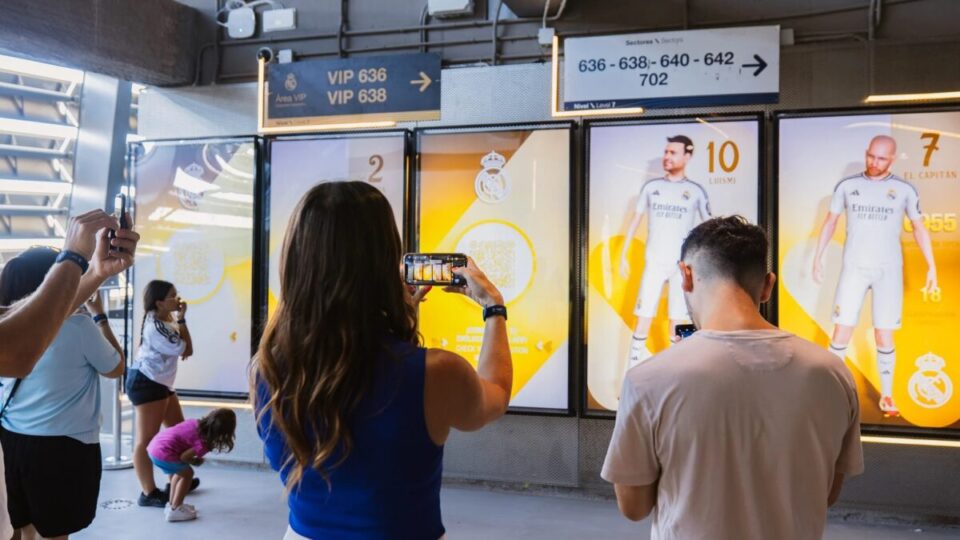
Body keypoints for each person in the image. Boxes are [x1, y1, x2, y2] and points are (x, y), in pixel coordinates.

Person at [254, 181, 512, 540]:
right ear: (386, 258)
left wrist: (398, 319)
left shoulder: (268, 368)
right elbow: (495, 396)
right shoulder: (437, 372)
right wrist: (494, 309)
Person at [603, 216, 863, 540]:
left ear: (686, 275)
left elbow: (634, 507)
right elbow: (827, 492)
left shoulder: (649, 380)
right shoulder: (832, 374)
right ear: (768, 285)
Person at [0, 209, 137, 540]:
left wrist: (93, 274)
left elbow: (31, 327)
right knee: (55, 532)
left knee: (22, 529)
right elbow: (115, 366)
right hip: (63, 448)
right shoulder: (79, 328)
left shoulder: (26, 324)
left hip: (13, 439)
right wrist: (75, 261)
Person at [812, 135, 937, 417]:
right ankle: (831, 392)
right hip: (854, 268)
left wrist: (932, 266)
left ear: (892, 159)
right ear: (866, 152)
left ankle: (888, 395)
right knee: (841, 331)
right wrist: (818, 256)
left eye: (881, 158)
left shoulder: (903, 189)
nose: (874, 162)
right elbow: (830, 221)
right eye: (871, 156)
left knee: (884, 335)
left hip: (888, 271)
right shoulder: (848, 186)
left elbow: (918, 227)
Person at [619, 135, 711, 373]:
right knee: (643, 319)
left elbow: (710, 226)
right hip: (654, 263)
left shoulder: (695, 191)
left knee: (680, 323)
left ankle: (682, 374)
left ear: (687, 156)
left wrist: (707, 263)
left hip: (682, 266)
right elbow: (635, 220)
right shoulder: (652, 188)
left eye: (673, 153)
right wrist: (623, 254)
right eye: (666, 152)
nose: (667, 157)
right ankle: (632, 376)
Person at [127, 280, 197, 507]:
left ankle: (175, 477)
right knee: (146, 440)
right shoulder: (155, 326)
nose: (177, 299)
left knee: (178, 432)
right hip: (147, 383)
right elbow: (187, 349)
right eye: (172, 296)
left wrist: (180, 321)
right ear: (159, 302)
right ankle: (148, 492)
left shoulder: (166, 320)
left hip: (161, 383)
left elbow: (186, 347)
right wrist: (183, 320)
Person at [147, 408, 236, 522]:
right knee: (188, 474)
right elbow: (184, 457)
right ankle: (176, 508)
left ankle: (172, 505)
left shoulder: (194, 422)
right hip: (164, 453)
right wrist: (195, 461)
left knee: (178, 473)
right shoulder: (204, 443)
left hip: (154, 447)